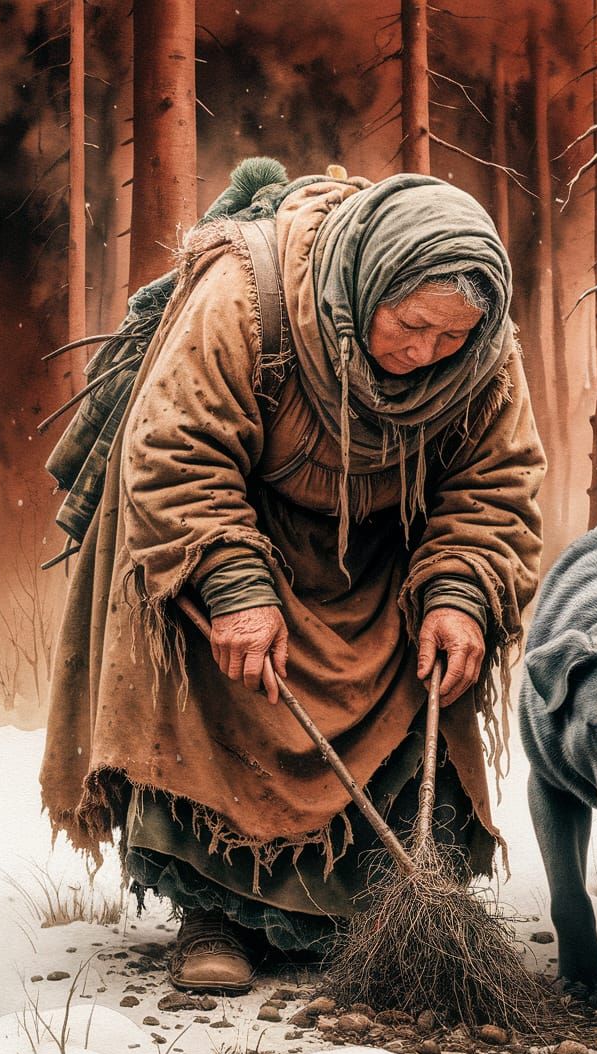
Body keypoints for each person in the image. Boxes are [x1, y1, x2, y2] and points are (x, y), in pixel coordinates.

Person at [41, 168, 546, 994]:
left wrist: (459, 590)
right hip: (236, 529)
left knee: (422, 669)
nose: (424, 354)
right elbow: (177, 448)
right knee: (218, 674)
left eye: (449, 338)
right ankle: (217, 914)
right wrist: (236, 587)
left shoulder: (483, 355)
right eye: (410, 324)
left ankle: (377, 916)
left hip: (382, 562)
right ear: (370, 282)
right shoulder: (249, 291)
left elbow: (495, 486)